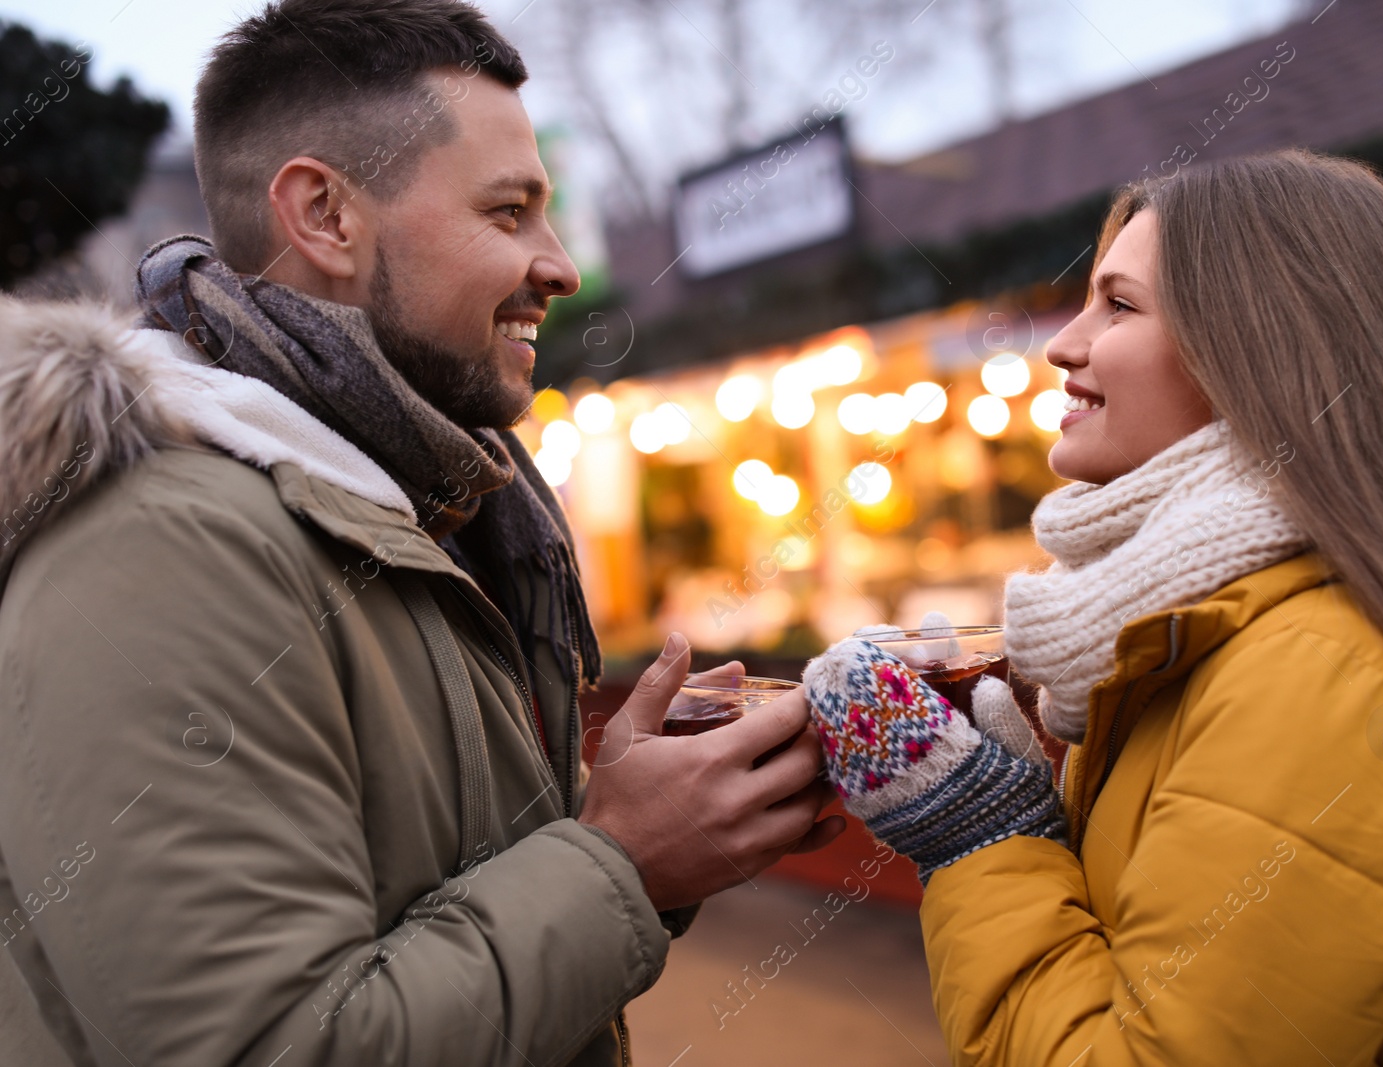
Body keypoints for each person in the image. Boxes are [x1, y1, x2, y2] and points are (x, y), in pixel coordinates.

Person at [0, 2, 840, 1064]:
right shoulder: (160, 552)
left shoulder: (411, 504)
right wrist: (618, 859)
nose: (560, 265)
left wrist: (625, 826)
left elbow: (426, 895)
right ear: (326, 217)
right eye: (508, 213)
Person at [803, 149, 1383, 1064]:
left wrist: (980, 833)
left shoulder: (1322, 673)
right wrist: (1041, 804)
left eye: (1120, 303)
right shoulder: (1220, 634)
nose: (1063, 345)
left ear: (1260, 346)